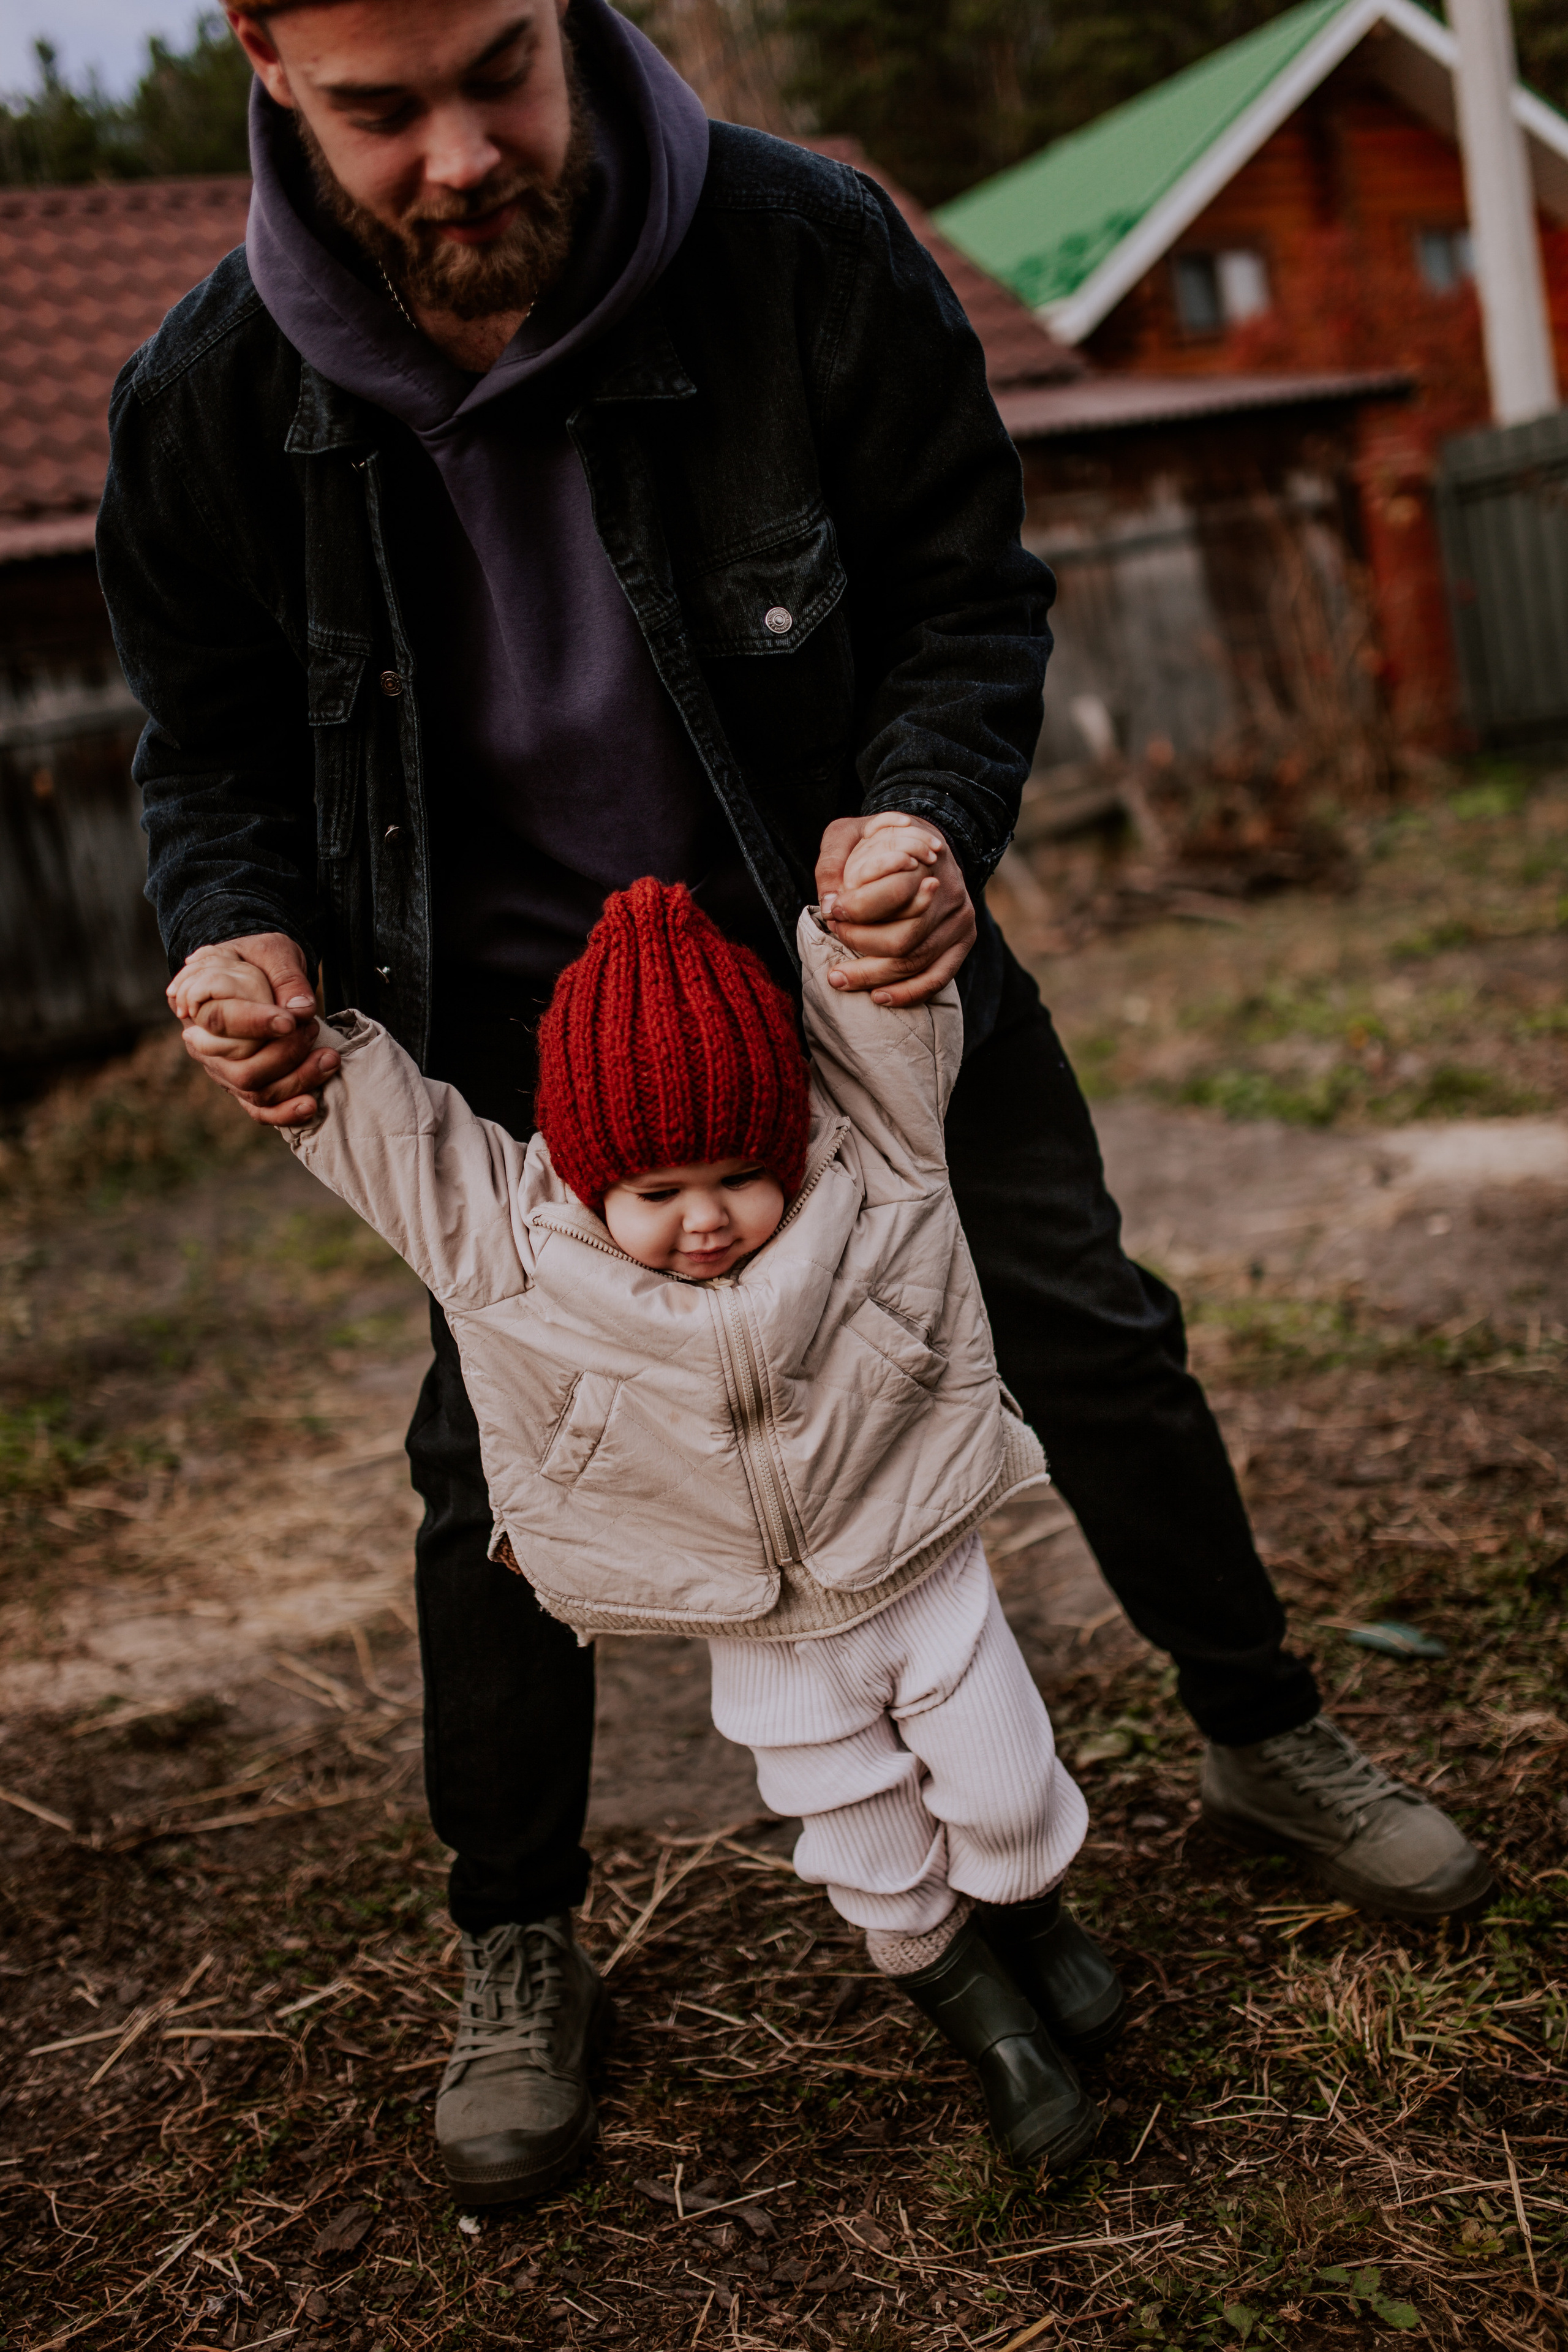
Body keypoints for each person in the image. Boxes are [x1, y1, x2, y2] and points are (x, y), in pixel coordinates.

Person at [99, 0, 1492, 2206]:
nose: (460, 156)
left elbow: (965, 597)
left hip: (865, 964)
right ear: (268, 60)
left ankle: (1263, 1736)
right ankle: (522, 1942)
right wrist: (244, 937)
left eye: (498, 74)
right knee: (488, 1489)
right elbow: (209, 755)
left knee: (1088, 1330)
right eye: (384, 111)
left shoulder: (809, 250)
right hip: (516, 1067)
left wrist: (929, 813)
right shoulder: (202, 398)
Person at [173, 855, 1128, 2194]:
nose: (702, 1221)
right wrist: (279, 1024)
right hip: (760, 1636)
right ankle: (988, 2027)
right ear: (583, 1175)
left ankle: (1030, 1913)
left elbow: (884, 1007)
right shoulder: (506, 1244)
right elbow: (395, 1137)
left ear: (790, 1142)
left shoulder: (876, 1160)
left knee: (1007, 1794)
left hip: (920, 1570)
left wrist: (878, 885)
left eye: (741, 1173)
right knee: (869, 1856)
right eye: (656, 1190)